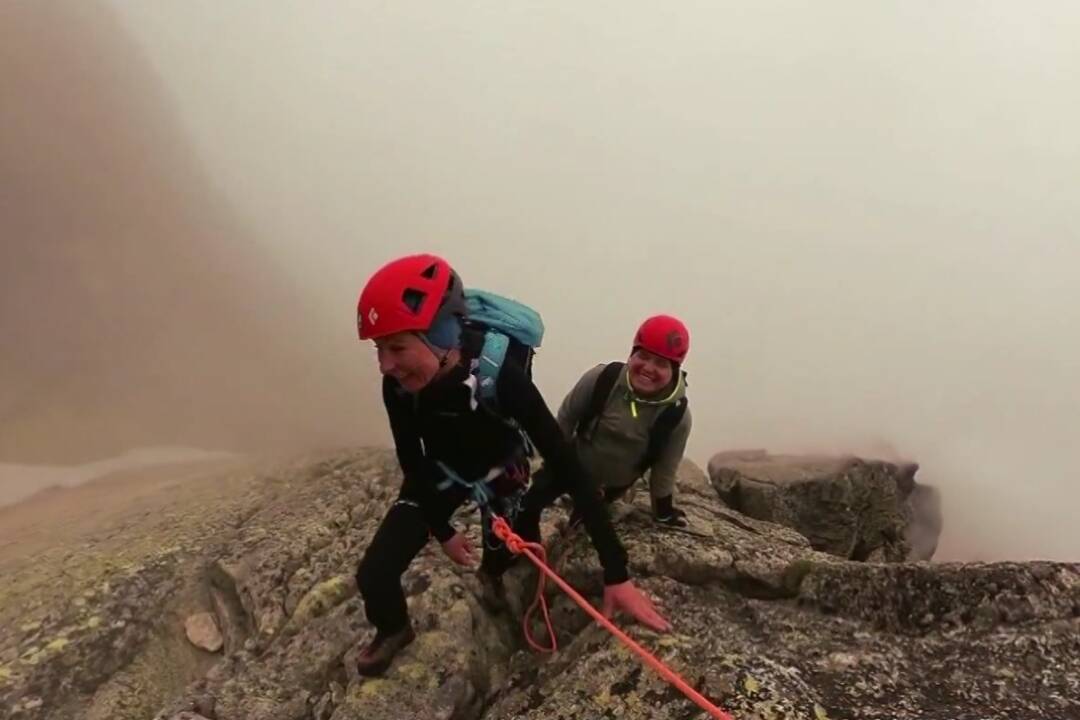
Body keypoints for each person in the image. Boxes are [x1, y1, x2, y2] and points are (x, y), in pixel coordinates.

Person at [353, 253, 669, 677]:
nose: (385, 365)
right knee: (374, 574)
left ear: (441, 335)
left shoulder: (499, 377)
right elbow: (412, 458)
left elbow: (567, 465)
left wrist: (618, 573)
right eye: (379, 349)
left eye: (397, 347)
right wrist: (442, 530)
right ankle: (393, 629)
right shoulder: (398, 386)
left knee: (501, 562)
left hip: (502, 472)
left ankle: (505, 591)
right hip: (441, 473)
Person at [556, 315, 693, 528]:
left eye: (660, 363)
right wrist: (549, 474)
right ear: (631, 355)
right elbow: (564, 421)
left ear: (674, 370)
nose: (648, 367)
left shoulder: (676, 415)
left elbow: (664, 470)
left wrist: (663, 512)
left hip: (610, 494)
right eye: (643, 356)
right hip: (569, 478)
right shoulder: (602, 379)